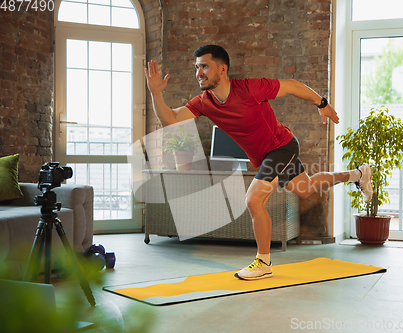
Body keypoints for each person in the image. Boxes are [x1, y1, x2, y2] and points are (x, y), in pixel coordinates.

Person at [144, 45, 372, 281]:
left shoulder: (249, 89)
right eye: (196, 67)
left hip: (281, 146)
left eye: (204, 66)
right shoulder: (204, 102)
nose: (199, 72)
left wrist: (322, 104)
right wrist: (156, 93)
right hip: (268, 156)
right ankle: (357, 174)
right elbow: (170, 120)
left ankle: (263, 262)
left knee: (253, 199)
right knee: (306, 188)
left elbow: (292, 85)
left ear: (222, 69)